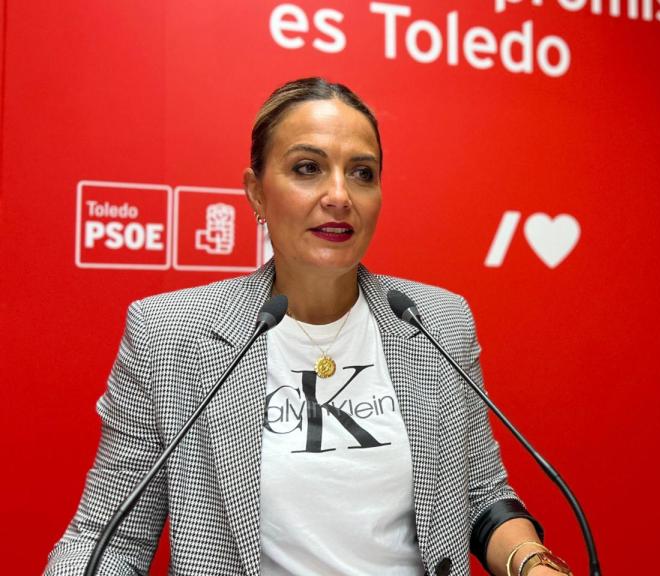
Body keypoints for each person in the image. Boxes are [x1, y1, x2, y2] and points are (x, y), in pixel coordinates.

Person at [46, 78, 573, 576]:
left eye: (362, 173)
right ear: (257, 192)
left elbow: (481, 494)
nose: (340, 195)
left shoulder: (437, 321)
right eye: (307, 168)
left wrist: (532, 563)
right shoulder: (169, 335)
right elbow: (108, 539)